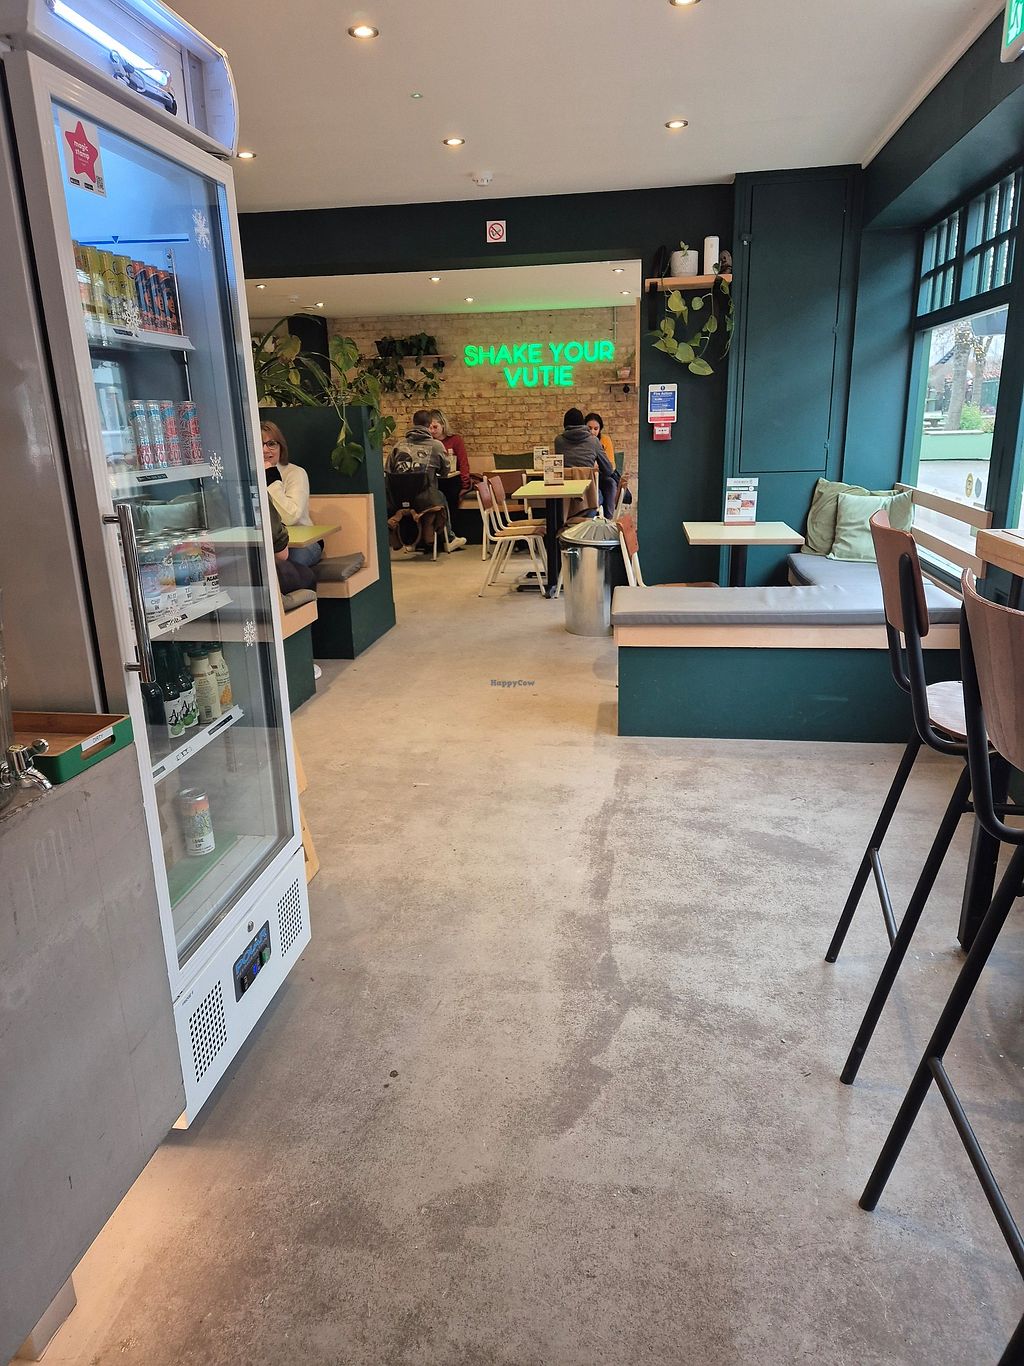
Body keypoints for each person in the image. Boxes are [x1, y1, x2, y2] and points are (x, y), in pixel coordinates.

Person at [386, 409, 467, 552]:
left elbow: (388, 470)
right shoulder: (436, 445)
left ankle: (411, 541)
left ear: (413, 423)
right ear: (429, 424)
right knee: (441, 496)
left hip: (398, 500)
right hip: (426, 499)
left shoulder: (398, 446)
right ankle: (449, 539)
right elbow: (445, 472)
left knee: (414, 498)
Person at [262, 421, 322, 568]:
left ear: (281, 447)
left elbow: (290, 517)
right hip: (265, 542)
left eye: (271, 444)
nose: (265, 450)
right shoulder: (246, 476)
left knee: (282, 566)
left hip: (302, 543)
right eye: (259, 444)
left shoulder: (295, 473)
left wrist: (271, 478)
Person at [554, 407, 618, 518]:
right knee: (601, 493)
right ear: (583, 424)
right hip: (589, 497)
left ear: (565, 425)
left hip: (565, 499)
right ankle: (603, 521)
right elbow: (608, 470)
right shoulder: (593, 441)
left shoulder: (558, 441)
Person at [428, 409, 472, 539]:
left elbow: (463, 463)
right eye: (429, 428)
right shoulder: (428, 442)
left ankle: (450, 534)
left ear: (443, 425)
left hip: (453, 479)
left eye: (435, 427)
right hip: (435, 480)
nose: (432, 431)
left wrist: (465, 483)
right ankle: (434, 536)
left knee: (451, 495)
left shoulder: (455, 440)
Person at [268, 498, 315, 595]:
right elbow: (282, 555)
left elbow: (291, 517)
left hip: (235, 565)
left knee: (296, 558)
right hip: (258, 567)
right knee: (306, 575)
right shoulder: (259, 493)